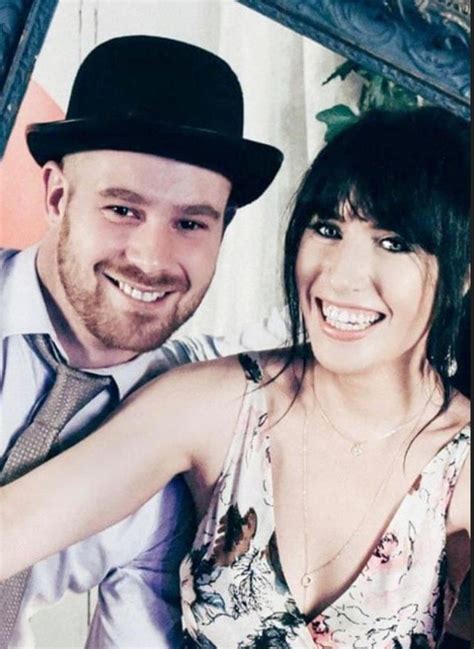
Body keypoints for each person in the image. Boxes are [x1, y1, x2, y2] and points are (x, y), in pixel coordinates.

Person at [1, 107, 470, 648]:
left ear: (461, 273)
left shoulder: (458, 463)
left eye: (395, 243)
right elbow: (14, 526)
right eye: (327, 229)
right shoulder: (214, 403)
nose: (341, 277)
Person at [0, 35, 284, 648]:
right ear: (56, 196)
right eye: (123, 210)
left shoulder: (178, 462)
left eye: (190, 223)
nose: (152, 259)